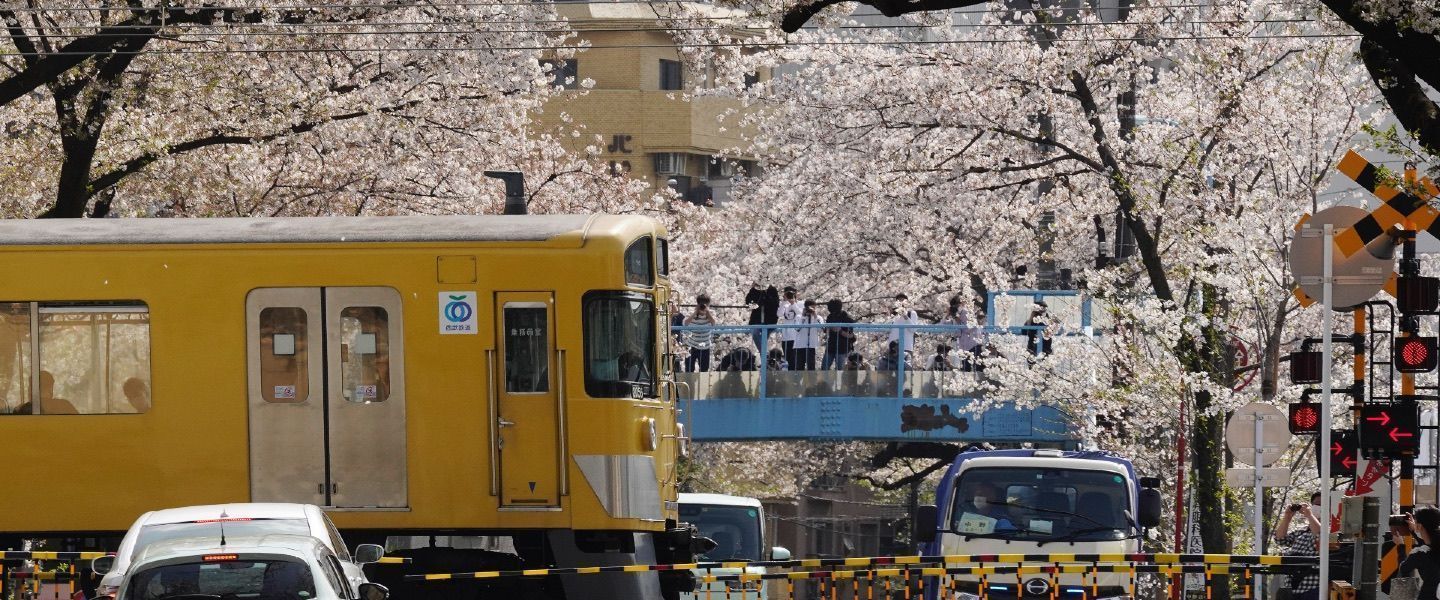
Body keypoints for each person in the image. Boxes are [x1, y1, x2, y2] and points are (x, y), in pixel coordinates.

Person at [1274, 496, 1322, 600]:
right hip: (1291, 588)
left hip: (1312, 588)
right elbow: (1280, 539)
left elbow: (1320, 534)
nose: (1316, 507)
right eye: (1315, 504)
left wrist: (1309, 515)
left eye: (1320, 505)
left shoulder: (1331, 531)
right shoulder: (1301, 531)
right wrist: (1287, 517)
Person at [1402, 507, 1440, 600]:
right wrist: (1414, 532)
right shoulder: (1433, 548)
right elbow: (1430, 545)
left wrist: (1400, 546)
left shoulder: (1419, 554)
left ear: (1419, 526)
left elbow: (1403, 568)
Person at [683, 294, 716, 372]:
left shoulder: (711, 313)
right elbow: (685, 324)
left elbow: (713, 324)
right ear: (697, 304)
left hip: (705, 346)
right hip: (691, 345)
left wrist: (707, 313)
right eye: (701, 304)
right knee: (689, 369)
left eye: (706, 304)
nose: (703, 306)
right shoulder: (692, 313)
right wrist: (695, 312)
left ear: (708, 304)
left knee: (704, 369)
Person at [745, 283, 780, 354]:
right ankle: (765, 354)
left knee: (763, 340)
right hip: (756, 320)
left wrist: (765, 296)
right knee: (755, 333)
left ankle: (764, 356)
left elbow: (775, 304)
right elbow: (748, 302)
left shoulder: (772, 290)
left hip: (769, 321)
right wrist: (755, 291)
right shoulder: (754, 290)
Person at [822, 299, 856, 370]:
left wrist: (840, 331)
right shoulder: (830, 316)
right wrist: (828, 330)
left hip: (842, 347)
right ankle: (824, 381)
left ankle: (840, 381)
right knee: (824, 367)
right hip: (831, 346)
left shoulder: (846, 317)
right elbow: (826, 330)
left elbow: (851, 335)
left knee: (840, 369)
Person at [777, 286, 803, 369]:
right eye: (787, 293)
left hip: (796, 337)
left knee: (796, 361)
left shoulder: (800, 304)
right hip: (786, 337)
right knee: (789, 361)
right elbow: (779, 314)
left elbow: (800, 314)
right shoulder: (784, 304)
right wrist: (784, 302)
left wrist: (793, 303)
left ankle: (796, 380)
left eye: (791, 293)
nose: (789, 295)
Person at [793, 300, 822, 370]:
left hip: (811, 345)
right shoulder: (798, 317)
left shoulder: (818, 317)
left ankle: (811, 381)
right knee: (799, 368)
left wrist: (815, 316)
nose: (812, 309)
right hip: (799, 345)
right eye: (810, 307)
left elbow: (820, 329)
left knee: (811, 368)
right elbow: (797, 329)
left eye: (814, 308)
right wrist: (803, 316)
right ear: (805, 308)